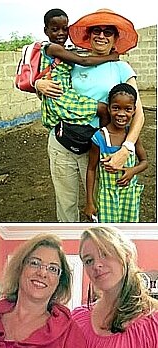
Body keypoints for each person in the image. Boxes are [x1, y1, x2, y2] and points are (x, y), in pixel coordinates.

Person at [36, 8, 144, 222]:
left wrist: (126, 148)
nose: (101, 36)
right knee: (66, 205)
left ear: (115, 38)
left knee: (99, 204)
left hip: (98, 148)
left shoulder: (121, 68)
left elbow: (138, 115)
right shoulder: (72, 63)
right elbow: (56, 98)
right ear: (89, 35)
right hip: (62, 143)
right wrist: (39, 85)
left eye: (108, 32)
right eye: (97, 30)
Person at [0, 234, 88, 348]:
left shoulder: (70, 333)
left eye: (53, 269)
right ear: (20, 268)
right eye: (35, 263)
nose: (42, 273)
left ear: (60, 281)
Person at [72, 226, 158, 348]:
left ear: (126, 255)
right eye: (89, 261)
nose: (96, 265)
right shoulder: (76, 318)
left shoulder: (153, 320)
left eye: (105, 253)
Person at [39, 8, 119, 130]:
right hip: (60, 96)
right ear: (46, 31)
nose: (61, 33)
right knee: (103, 109)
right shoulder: (52, 48)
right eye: (55, 30)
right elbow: (84, 61)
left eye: (65, 29)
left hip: (62, 95)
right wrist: (111, 57)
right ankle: (103, 140)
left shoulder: (62, 51)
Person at [84, 83, 148, 223]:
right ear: (108, 108)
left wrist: (132, 171)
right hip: (107, 196)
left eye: (127, 109)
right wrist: (90, 202)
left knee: (128, 231)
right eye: (116, 108)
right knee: (108, 232)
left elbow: (144, 162)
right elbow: (91, 169)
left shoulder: (132, 135)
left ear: (134, 110)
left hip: (129, 196)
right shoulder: (99, 137)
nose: (121, 114)